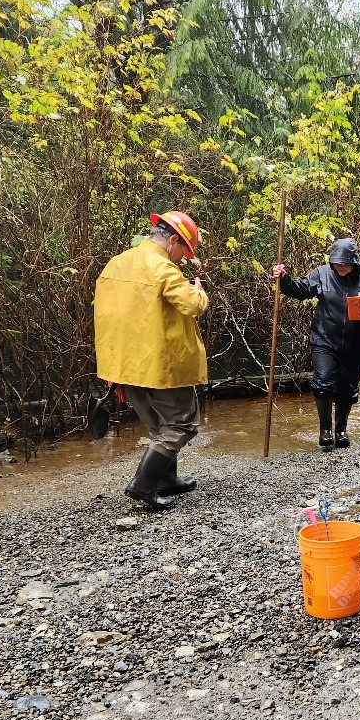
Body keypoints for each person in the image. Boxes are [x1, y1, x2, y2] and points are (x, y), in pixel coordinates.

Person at [94, 210, 208, 511]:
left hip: (124, 365)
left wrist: (110, 369)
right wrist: (199, 292)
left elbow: (106, 318)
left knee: (159, 425)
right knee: (181, 424)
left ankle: (166, 480)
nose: (183, 258)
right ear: (173, 240)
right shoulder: (162, 268)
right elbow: (193, 304)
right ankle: (142, 486)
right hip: (161, 365)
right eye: (184, 250)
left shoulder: (116, 263)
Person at [272, 238, 360, 450]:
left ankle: (340, 431)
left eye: (345, 263)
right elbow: (300, 290)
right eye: (337, 263)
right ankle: (325, 432)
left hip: (355, 344)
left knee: (347, 389)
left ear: (354, 261)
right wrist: (284, 279)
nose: (340, 266)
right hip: (324, 340)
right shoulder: (321, 274)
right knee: (323, 382)